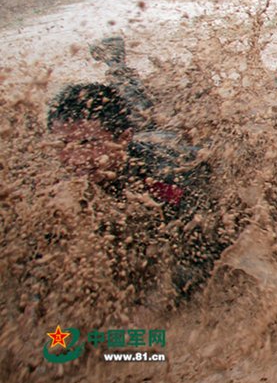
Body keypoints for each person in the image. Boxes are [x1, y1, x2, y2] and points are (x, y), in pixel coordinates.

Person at [47, 82, 225, 297]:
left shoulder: (167, 178)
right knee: (143, 111)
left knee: (157, 117)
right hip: (144, 136)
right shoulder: (51, 181)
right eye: (63, 144)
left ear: (123, 138)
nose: (75, 159)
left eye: (89, 143)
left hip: (174, 146)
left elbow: (202, 254)